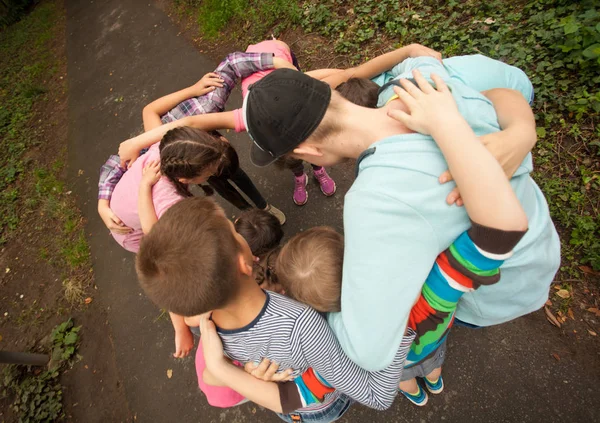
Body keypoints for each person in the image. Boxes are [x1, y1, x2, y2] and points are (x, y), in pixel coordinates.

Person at [235, 60, 560, 372]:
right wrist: (521, 129)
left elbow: (370, 352)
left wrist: (309, 312)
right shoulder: (418, 82)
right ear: (330, 93)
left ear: (307, 152)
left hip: (505, 287)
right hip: (540, 239)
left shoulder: (377, 202)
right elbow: (504, 89)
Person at [272, 72, 528, 407]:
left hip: (403, 361)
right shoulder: (440, 285)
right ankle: (434, 382)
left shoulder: (348, 336)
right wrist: (451, 127)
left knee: (407, 374)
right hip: (437, 340)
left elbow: (304, 392)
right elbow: (497, 234)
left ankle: (416, 392)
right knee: (434, 364)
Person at [136, 195, 417, 422]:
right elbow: (376, 395)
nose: (238, 230)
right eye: (234, 232)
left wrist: (229, 372)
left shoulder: (201, 320)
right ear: (245, 263)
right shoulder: (301, 323)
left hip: (290, 410)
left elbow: (212, 370)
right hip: (320, 404)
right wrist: (401, 325)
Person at [98, 52, 292, 237]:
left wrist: (193, 89)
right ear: (187, 177)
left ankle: (262, 206)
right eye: (208, 173)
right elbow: (118, 164)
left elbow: (232, 63)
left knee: (236, 175)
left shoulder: (203, 110)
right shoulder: (164, 184)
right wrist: (103, 204)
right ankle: (252, 214)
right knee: (223, 187)